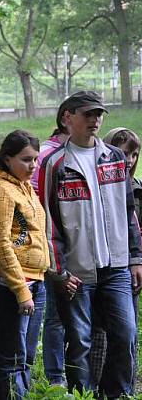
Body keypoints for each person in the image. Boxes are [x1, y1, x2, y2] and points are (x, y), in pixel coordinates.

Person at [38, 91, 142, 396]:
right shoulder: (54, 163)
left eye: (99, 115)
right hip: (77, 271)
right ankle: (82, 393)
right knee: (80, 339)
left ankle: (116, 393)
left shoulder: (115, 157)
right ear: (68, 118)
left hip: (117, 267)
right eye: (87, 114)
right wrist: (59, 270)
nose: (95, 120)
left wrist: (136, 258)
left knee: (125, 334)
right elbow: (49, 220)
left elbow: (128, 211)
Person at [0, 130, 48, 400]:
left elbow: (30, 234)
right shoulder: (0, 190)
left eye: (36, 160)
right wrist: (21, 290)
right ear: (7, 159)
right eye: (26, 160)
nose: (33, 166)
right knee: (12, 355)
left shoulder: (24, 186)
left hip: (35, 280)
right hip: (10, 284)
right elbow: (1, 244)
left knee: (25, 354)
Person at [88, 127, 142, 387]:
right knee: (98, 331)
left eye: (133, 154)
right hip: (99, 264)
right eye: (123, 153)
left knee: (127, 329)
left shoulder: (137, 189)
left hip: (129, 264)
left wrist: (136, 259)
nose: (128, 160)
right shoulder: (99, 182)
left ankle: (124, 385)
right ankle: (95, 384)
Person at [31, 103, 69, 386]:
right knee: (55, 315)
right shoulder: (47, 155)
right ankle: (56, 378)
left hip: (78, 246)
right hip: (52, 245)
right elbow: (36, 203)